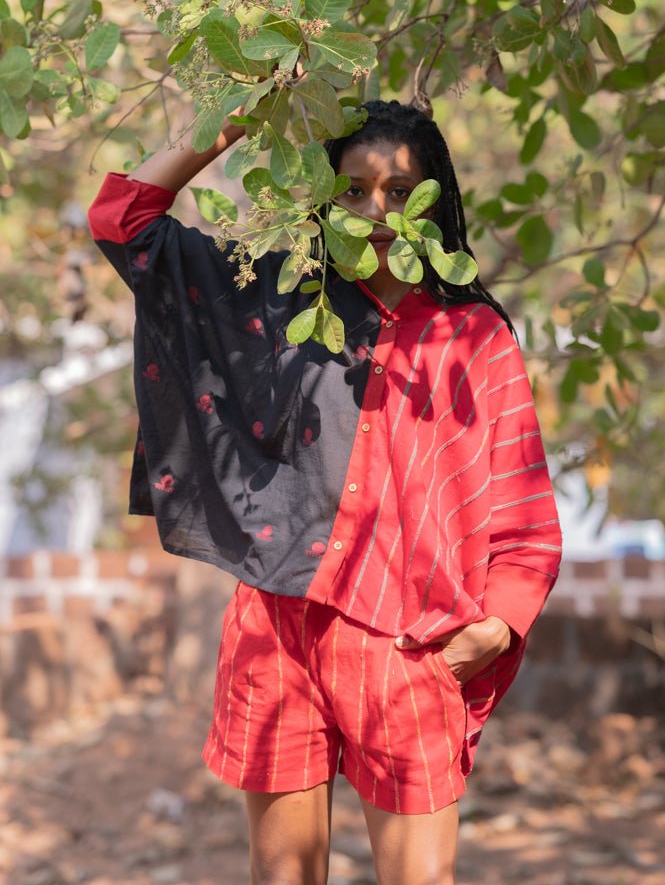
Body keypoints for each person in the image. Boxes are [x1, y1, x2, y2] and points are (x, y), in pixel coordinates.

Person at [88, 99, 561, 885]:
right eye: (352, 191)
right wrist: (236, 115)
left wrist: (499, 626)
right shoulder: (278, 304)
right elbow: (122, 219)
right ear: (321, 199)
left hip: (407, 640)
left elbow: (521, 502)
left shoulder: (471, 336)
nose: (375, 212)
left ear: (431, 200)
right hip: (274, 624)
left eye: (399, 190)